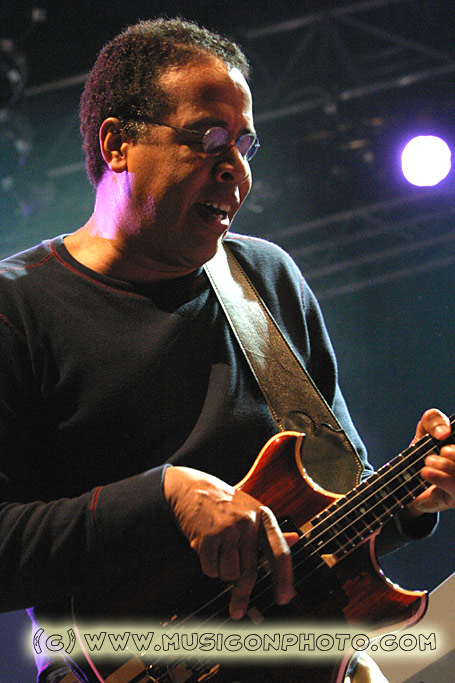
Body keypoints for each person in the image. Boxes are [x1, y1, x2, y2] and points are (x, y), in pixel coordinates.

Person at [0, 17, 454, 683]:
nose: (236, 169)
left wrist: (411, 497)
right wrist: (166, 497)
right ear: (117, 144)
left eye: (244, 146)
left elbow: (334, 513)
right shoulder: (16, 308)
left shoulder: (265, 277)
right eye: (208, 140)